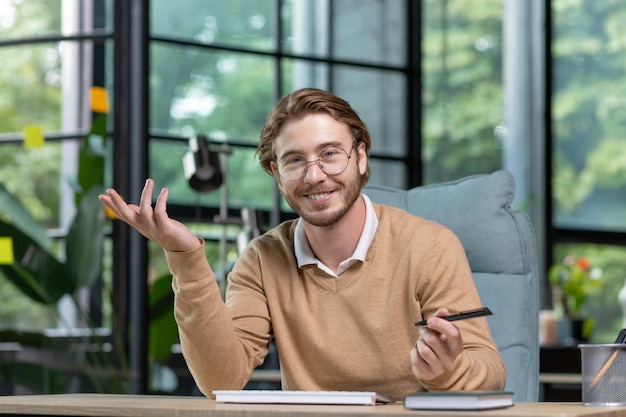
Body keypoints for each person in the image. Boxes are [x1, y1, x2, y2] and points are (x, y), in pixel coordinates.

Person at [99, 87, 506, 401]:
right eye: (295, 161)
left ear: (360, 157)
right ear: (277, 173)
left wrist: (448, 370)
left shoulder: (430, 246)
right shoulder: (261, 260)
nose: (314, 176)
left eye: (330, 154)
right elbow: (221, 380)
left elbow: (491, 372)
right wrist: (186, 258)